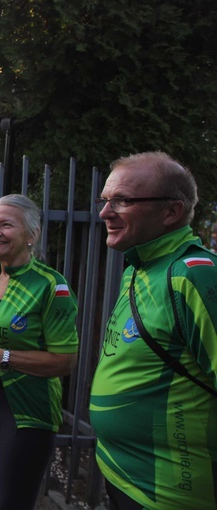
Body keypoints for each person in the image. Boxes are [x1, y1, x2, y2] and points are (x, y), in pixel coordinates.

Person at [90, 152, 217, 509]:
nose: (105, 213)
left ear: (171, 212)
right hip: (121, 477)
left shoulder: (195, 275)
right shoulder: (138, 267)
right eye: (105, 200)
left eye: (122, 201)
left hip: (169, 493)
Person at [0, 194, 79, 510]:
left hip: (27, 408)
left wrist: (2, 357)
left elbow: (65, 361)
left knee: (12, 502)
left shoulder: (52, 286)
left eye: (6, 224)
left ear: (32, 234)